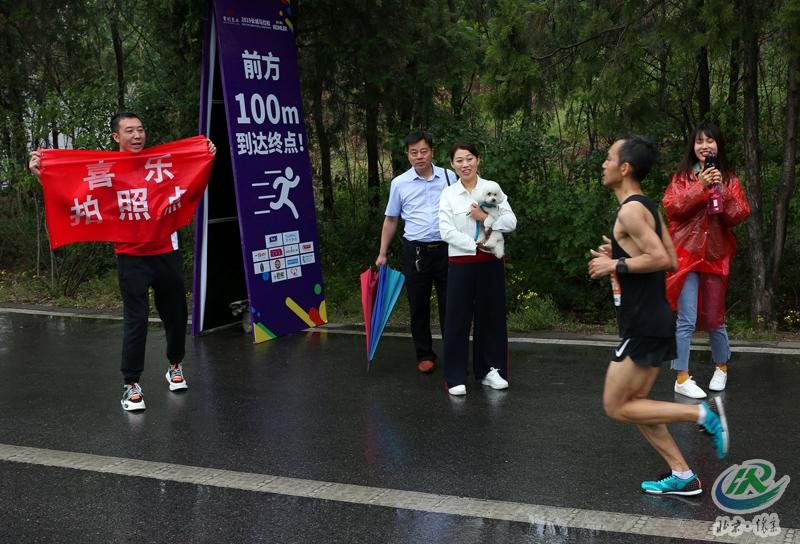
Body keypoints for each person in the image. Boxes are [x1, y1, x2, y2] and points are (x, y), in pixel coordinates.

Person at [29, 112, 217, 412]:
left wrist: (205, 156)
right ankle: (131, 385)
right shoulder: (105, 170)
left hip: (166, 250)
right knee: (136, 320)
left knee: (176, 314)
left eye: (140, 129)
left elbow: (190, 182)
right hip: (131, 256)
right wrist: (43, 174)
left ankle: (175, 365)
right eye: (129, 131)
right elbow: (72, 193)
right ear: (116, 136)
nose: (137, 135)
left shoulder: (161, 164)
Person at [588, 135, 728, 495]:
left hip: (644, 322)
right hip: (652, 319)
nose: (603, 164)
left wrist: (614, 264)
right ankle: (683, 475)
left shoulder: (630, 211)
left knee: (616, 406)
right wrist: (620, 253)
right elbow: (672, 258)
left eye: (608, 158)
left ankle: (700, 414)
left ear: (624, 168)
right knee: (638, 406)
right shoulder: (646, 205)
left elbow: (663, 259)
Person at [662, 122, 750, 399]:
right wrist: (699, 186)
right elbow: (672, 208)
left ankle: (721, 366)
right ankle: (681, 376)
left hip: (715, 255)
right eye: (699, 141)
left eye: (710, 141)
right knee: (686, 319)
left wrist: (721, 190)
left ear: (718, 145)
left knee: (714, 318)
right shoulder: (683, 178)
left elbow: (738, 214)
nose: (705, 146)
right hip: (687, 254)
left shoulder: (729, 179)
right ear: (693, 147)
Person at [438, 143, 516, 396]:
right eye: (459, 160)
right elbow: (445, 230)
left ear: (478, 160)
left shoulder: (492, 188)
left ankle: (491, 370)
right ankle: (455, 376)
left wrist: (485, 218)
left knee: (492, 317)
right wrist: (474, 244)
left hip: (491, 262)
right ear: (452, 164)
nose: (465, 164)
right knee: (456, 319)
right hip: (461, 261)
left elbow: (511, 222)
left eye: (469, 158)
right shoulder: (449, 194)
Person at [375, 131, 455, 374]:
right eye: (414, 152)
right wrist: (382, 253)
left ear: (432, 152)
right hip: (416, 252)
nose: (419, 156)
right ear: (407, 155)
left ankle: (453, 353)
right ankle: (425, 355)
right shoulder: (399, 183)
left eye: (423, 151)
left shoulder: (449, 177)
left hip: (447, 249)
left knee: (450, 305)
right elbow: (391, 219)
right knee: (418, 306)